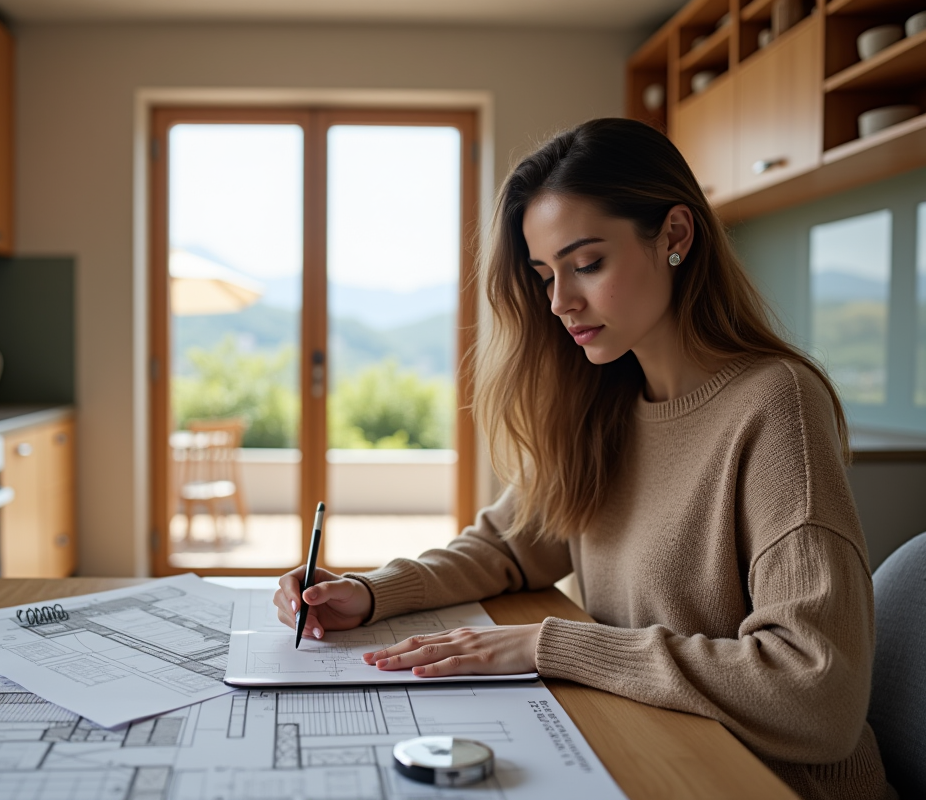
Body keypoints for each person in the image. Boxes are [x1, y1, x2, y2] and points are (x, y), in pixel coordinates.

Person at [273, 118, 890, 800]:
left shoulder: (775, 404)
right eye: (544, 275)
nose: (560, 301)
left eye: (587, 263)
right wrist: (369, 592)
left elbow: (817, 697)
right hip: (653, 750)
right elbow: (506, 547)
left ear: (675, 237)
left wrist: (550, 645)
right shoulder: (606, 402)